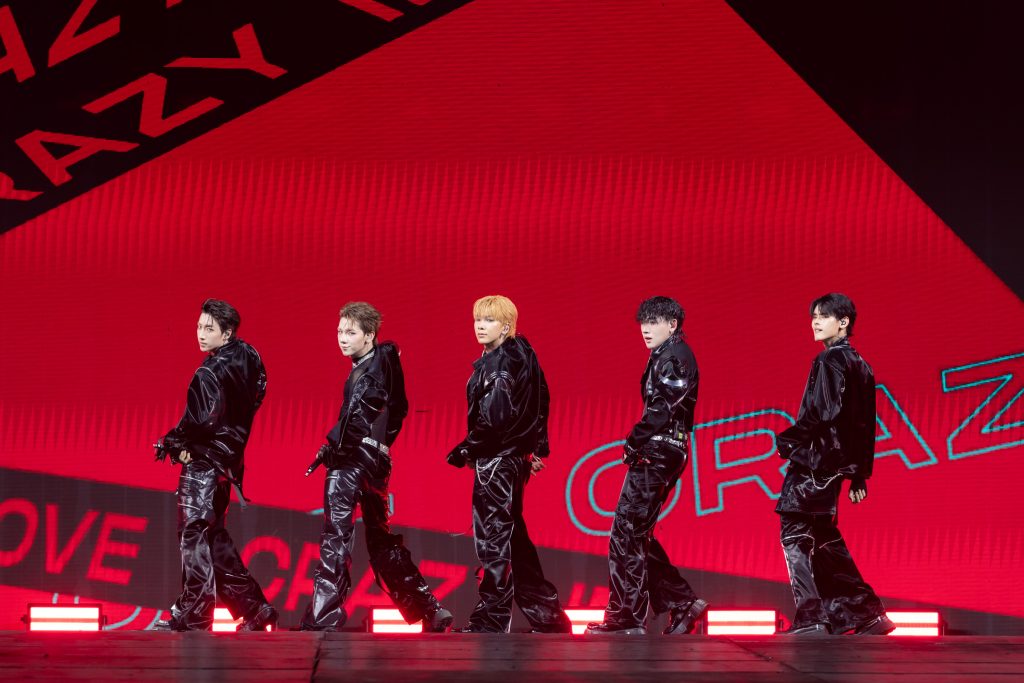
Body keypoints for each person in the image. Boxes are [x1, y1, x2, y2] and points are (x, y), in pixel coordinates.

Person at [299, 302, 453, 632]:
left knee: (336, 536)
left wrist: (335, 446)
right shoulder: (383, 366)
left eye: (350, 332)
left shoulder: (368, 371)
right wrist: (378, 445)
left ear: (369, 336)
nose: (342, 338)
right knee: (381, 540)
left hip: (352, 457)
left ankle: (324, 617)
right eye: (339, 331)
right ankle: (429, 608)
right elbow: (398, 412)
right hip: (378, 460)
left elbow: (360, 413)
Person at [447, 295, 572, 633]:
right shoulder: (524, 356)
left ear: (506, 327)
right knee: (513, 540)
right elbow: (541, 400)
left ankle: (492, 618)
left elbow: (495, 420)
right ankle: (548, 617)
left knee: (494, 541)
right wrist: (533, 449)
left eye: (488, 320)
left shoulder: (498, 365)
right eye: (477, 319)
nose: (480, 326)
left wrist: (465, 450)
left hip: (495, 462)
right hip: (513, 460)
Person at [153, 299, 277, 631]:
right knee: (214, 539)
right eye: (199, 326)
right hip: (229, 464)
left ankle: (195, 614)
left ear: (227, 332)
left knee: (194, 536)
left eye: (209, 328)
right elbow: (257, 394)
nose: (201, 334)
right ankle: (256, 608)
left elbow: (201, 421)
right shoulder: (249, 356)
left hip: (204, 464)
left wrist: (173, 442)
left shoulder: (207, 372)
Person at [775, 293, 895, 636]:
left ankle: (812, 617)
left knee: (795, 532)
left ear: (843, 322)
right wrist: (858, 474)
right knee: (823, 536)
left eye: (823, 316)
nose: (815, 322)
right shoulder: (860, 364)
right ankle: (867, 615)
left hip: (815, 462)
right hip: (835, 464)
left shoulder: (829, 360)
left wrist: (788, 440)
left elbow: (822, 413)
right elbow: (864, 425)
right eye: (813, 316)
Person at [587, 296, 707, 636]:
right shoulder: (669, 354)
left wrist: (634, 440)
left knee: (626, 534)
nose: (645, 329)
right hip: (665, 449)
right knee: (636, 533)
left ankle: (625, 618)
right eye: (643, 322)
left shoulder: (675, 356)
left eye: (654, 322)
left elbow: (663, 408)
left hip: (659, 450)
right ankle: (682, 601)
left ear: (672, 324)